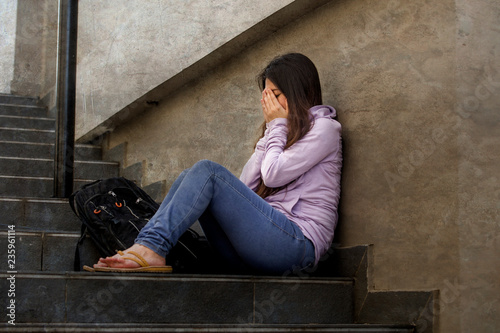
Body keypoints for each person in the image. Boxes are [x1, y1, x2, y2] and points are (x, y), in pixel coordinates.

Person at [85, 53, 342, 275]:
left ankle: (151, 247)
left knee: (208, 172)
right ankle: (148, 245)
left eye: (276, 95)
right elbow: (248, 186)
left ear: (299, 91)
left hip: (297, 249)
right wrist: (270, 134)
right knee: (194, 177)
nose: (270, 105)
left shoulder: (325, 129)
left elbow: (273, 175)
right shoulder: (280, 133)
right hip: (257, 250)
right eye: (266, 97)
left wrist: (276, 125)